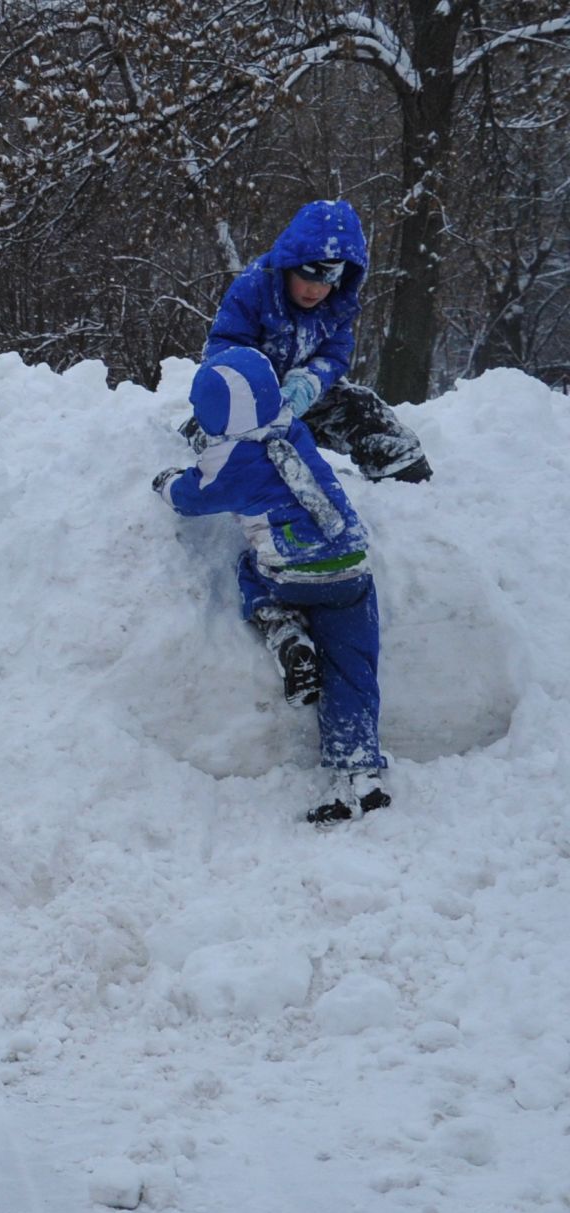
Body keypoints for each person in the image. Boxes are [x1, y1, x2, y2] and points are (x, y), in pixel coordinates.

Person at [154, 346, 389, 824]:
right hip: (349, 568)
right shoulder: (292, 428)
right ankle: (361, 772)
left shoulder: (230, 462)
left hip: (291, 574)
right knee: (353, 669)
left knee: (250, 569)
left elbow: (190, 497)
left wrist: (165, 481)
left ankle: (284, 632)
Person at [202, 199, 432, 484]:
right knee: (231, 438)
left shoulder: (337, 303)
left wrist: (311, 381)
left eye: (329, 278)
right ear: (289, 264)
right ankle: (214, 445)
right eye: (308, 275)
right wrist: (258, 390)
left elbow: (335, 352)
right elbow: (224, 347)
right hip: (250, 406)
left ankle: (400, 472)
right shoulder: (254, 288)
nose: (316, 288)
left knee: (364, 407)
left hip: (303, 401)